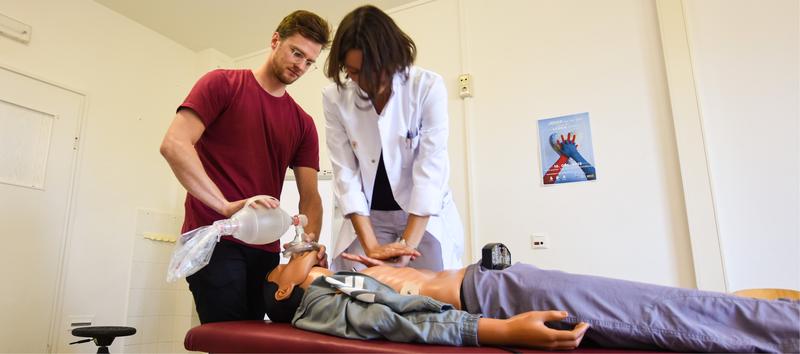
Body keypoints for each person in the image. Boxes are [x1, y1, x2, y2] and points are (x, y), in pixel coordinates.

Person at [263, 247, 800, 353]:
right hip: (499, 298)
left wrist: (385, 266)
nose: (299, 249)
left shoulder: (339, 279)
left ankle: (775, 316)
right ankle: (782, 325)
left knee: (660, 304)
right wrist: (499, 331)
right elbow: (403, 326)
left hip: (496, 280)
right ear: (283, 288)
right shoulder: (323, 301)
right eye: (286, 259)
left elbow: (397, 300)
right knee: (658, 313)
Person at [159, 10, 331, 324]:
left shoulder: (303, 124)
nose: (301, 66)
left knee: (255, 337)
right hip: (215, 239)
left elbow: (311, 197)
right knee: (227, 338)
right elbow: (174, 145)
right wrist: (225, 206)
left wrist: (307, 248)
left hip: (265, 248)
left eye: (309, 61)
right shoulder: (221, 84)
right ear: (275, 40)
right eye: (296, 53)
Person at [322, 5, 464, 272]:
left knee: (431, 292)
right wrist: (372, 247)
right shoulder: (335, 99)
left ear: (392, 58)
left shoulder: (427, 88)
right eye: (353, 72)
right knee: (357, 288)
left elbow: (430, 172)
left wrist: (406, 249)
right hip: (368, 218)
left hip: (421, 216)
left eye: (371, 72)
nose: (364, 82)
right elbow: (346, 174)